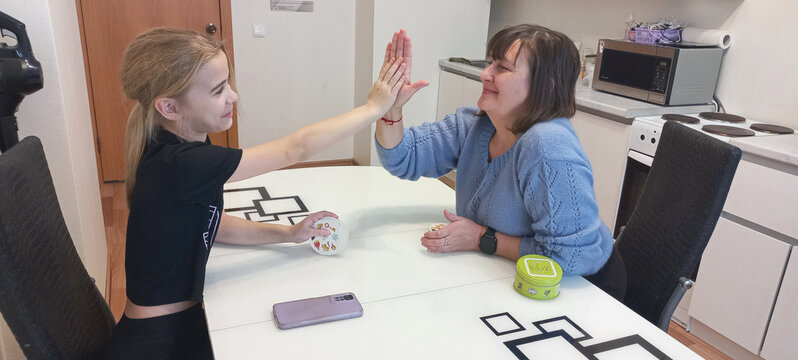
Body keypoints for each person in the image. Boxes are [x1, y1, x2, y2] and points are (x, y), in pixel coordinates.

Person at [104, 27, 406, 359]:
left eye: (228, 84)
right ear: (169, 108)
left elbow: (210, 221)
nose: (232, 97)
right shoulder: (181, 163)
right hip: (160, 344)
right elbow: (296, 149)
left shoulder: (178, 145)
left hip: (176, 325)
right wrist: (373, 109)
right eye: (218, 90)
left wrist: (289, 234)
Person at [375, 25, 624, 296]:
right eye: (490, 63)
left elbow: (572, 256)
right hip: (509, 275)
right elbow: (401, 156)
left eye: (502, 68)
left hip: (582, 288)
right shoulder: (476, 126)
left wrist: (481, 238)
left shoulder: (547, 146)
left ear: (546, 85)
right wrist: (391, 108)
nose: (485, 74)